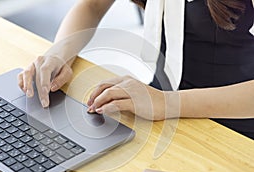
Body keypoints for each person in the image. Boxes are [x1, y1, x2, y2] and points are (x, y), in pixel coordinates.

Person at [18, 0, 254, 139]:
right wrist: (60, 54)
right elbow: (92, 5)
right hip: (162, 108)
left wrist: (167, 103)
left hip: (238, 125)